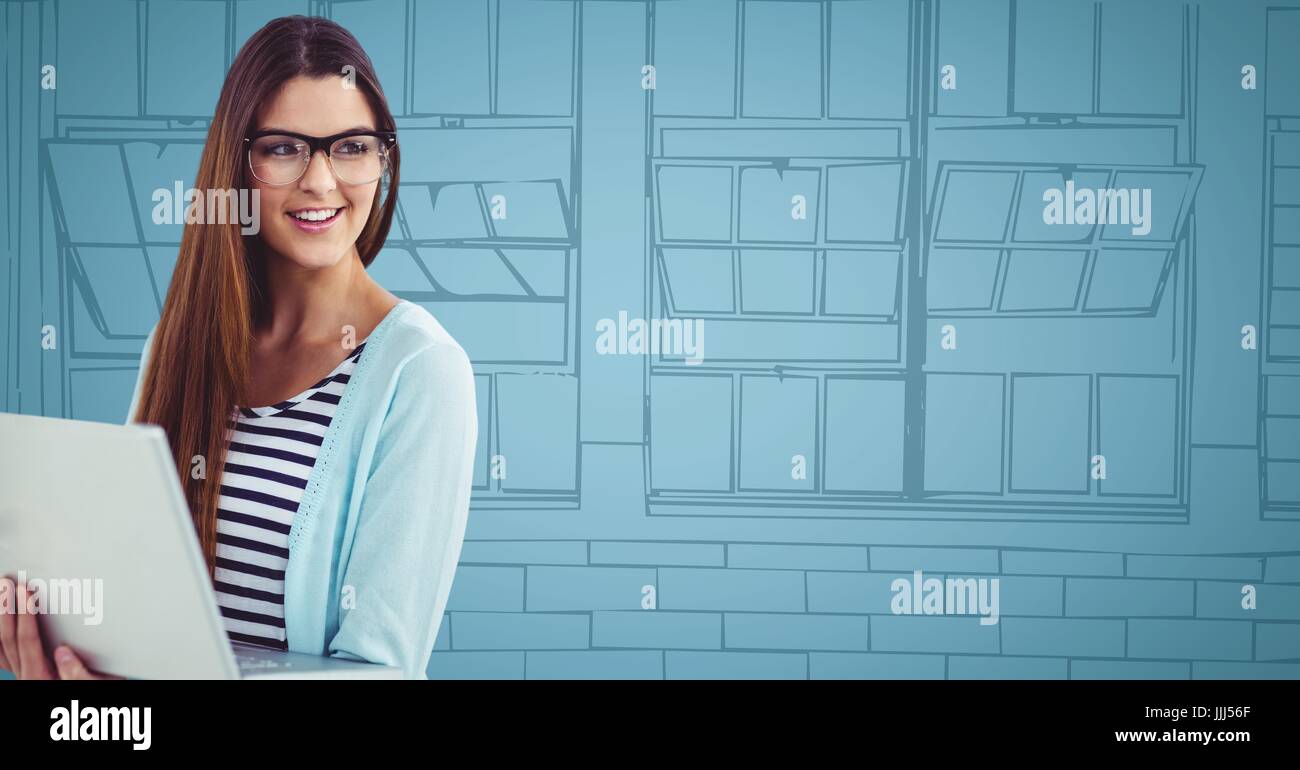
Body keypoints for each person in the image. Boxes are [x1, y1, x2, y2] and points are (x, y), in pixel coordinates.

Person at [0, 15, 477, 680]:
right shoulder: (178, 343)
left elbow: (380, 672)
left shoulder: (419, 372)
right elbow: (134, 602)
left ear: (384, 159)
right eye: (284, 148)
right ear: (237, 164)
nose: (319, 180)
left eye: (351, 146)